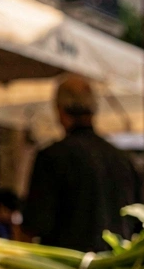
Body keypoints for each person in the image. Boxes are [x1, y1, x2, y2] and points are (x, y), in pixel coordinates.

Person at [24, 75, 138, 251]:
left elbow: (35, 225)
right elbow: (140, 222)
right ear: (94, 111)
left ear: (60, 112)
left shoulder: (52, 157)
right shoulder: (123, 160)